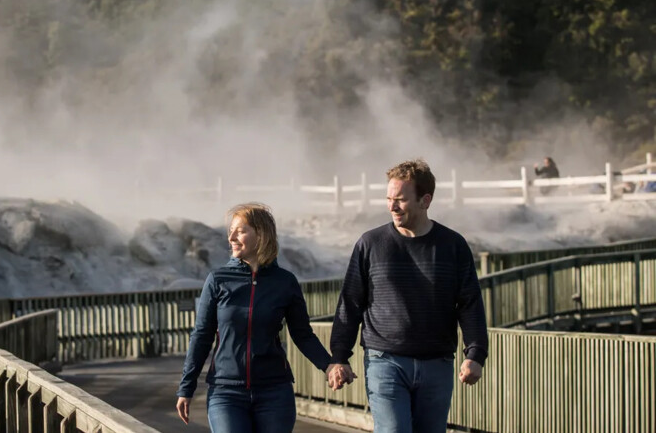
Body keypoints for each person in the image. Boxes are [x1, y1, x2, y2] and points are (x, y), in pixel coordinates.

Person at [327, 159, 488, 433]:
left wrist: (476, 354)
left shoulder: (452, 245)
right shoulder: (370, 244)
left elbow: (470, 304)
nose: (392, 206)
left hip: (437, 363)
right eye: (389, 199)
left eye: (400, 200)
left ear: (425, 200)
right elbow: (350, 303)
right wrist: (339, 357)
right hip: (384, 360)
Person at [176, 203, 339, 432]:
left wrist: (329, 365)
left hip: (274, 391)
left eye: (240, 231)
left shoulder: (285, 282)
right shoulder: (218, 280)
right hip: (226, 392)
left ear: (261, 235)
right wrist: (186, 388)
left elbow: (302, 335)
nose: (231, 237)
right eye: (231, 231)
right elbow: (201, 336)